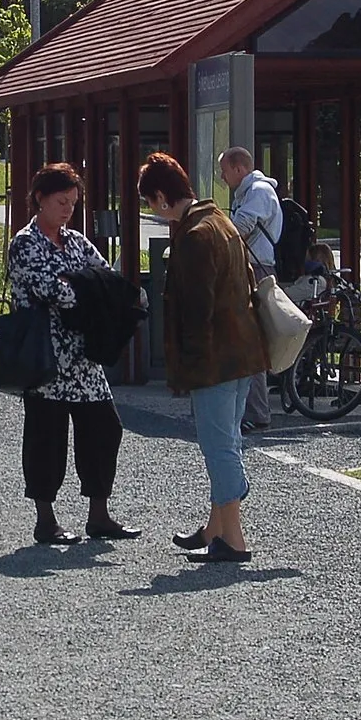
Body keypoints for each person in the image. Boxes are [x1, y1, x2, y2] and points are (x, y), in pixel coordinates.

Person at [139, 152, 266, 564]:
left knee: (219, 447)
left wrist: (186, 371)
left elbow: (196, 311)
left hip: (213, 358)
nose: (153, 213)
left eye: (150, 204)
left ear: (161, 196)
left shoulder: (195, 236)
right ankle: (215, 527)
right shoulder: (221, 221)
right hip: (242, 352)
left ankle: (233, 541)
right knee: (228, 438)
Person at [7, 163, 138, 545]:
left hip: (84, 358)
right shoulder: (25, 243)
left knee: (105, 429)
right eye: (62, 201)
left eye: (73, 203)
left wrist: (93, 291)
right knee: (46, 437)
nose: (68, 209)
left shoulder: (77, 241)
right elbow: (53, 291)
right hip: (46, 356)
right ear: (39, 199)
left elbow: (107, 279)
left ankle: (99, 514)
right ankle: (45, 519)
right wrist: (86, 291)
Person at [220, 147, 281, 432]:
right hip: (255, 267)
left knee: (251, 341)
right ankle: (250, 409)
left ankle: (256, 412)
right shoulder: (252, 192)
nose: (222, 177)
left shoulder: (257, 191)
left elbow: (243, 225)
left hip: (258, 270)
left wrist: (215, 237)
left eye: (224, 171)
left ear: (238, 169)